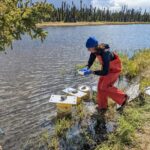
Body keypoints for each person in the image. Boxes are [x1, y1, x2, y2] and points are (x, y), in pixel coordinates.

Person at [85, 37, 128, 111]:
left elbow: (105, 72)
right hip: (107, 68)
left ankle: (123, 98)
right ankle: (102, 106)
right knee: (99, 87)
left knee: (105, 87)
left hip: (114, 70)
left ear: (94, 46)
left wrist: (93, 72)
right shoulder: (95, 51)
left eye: (89, 48)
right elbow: (92, 57)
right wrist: (87, 66)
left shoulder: (105, 53)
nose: (88, 50)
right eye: (87, 48)